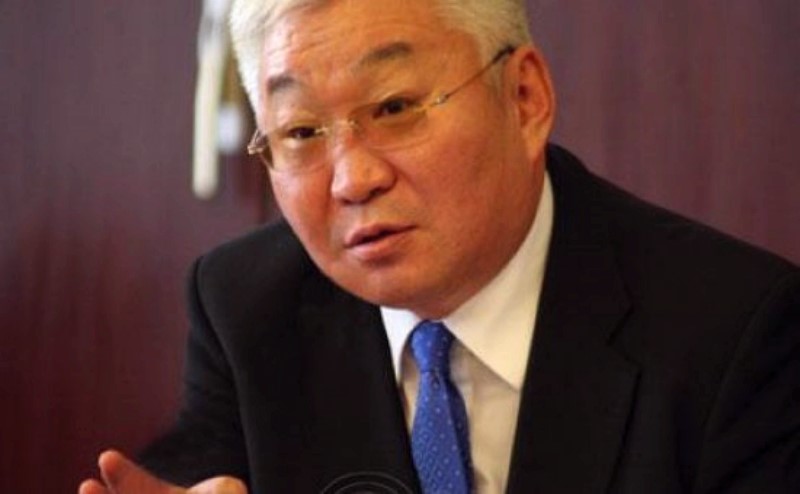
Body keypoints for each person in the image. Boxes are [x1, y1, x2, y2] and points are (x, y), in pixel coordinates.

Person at [79, 0, 800, 492]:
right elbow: (202, 466)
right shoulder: (244, 304)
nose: (353, 179)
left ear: (525, 98)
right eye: (300, 132)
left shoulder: (736, 333)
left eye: (394, 107)